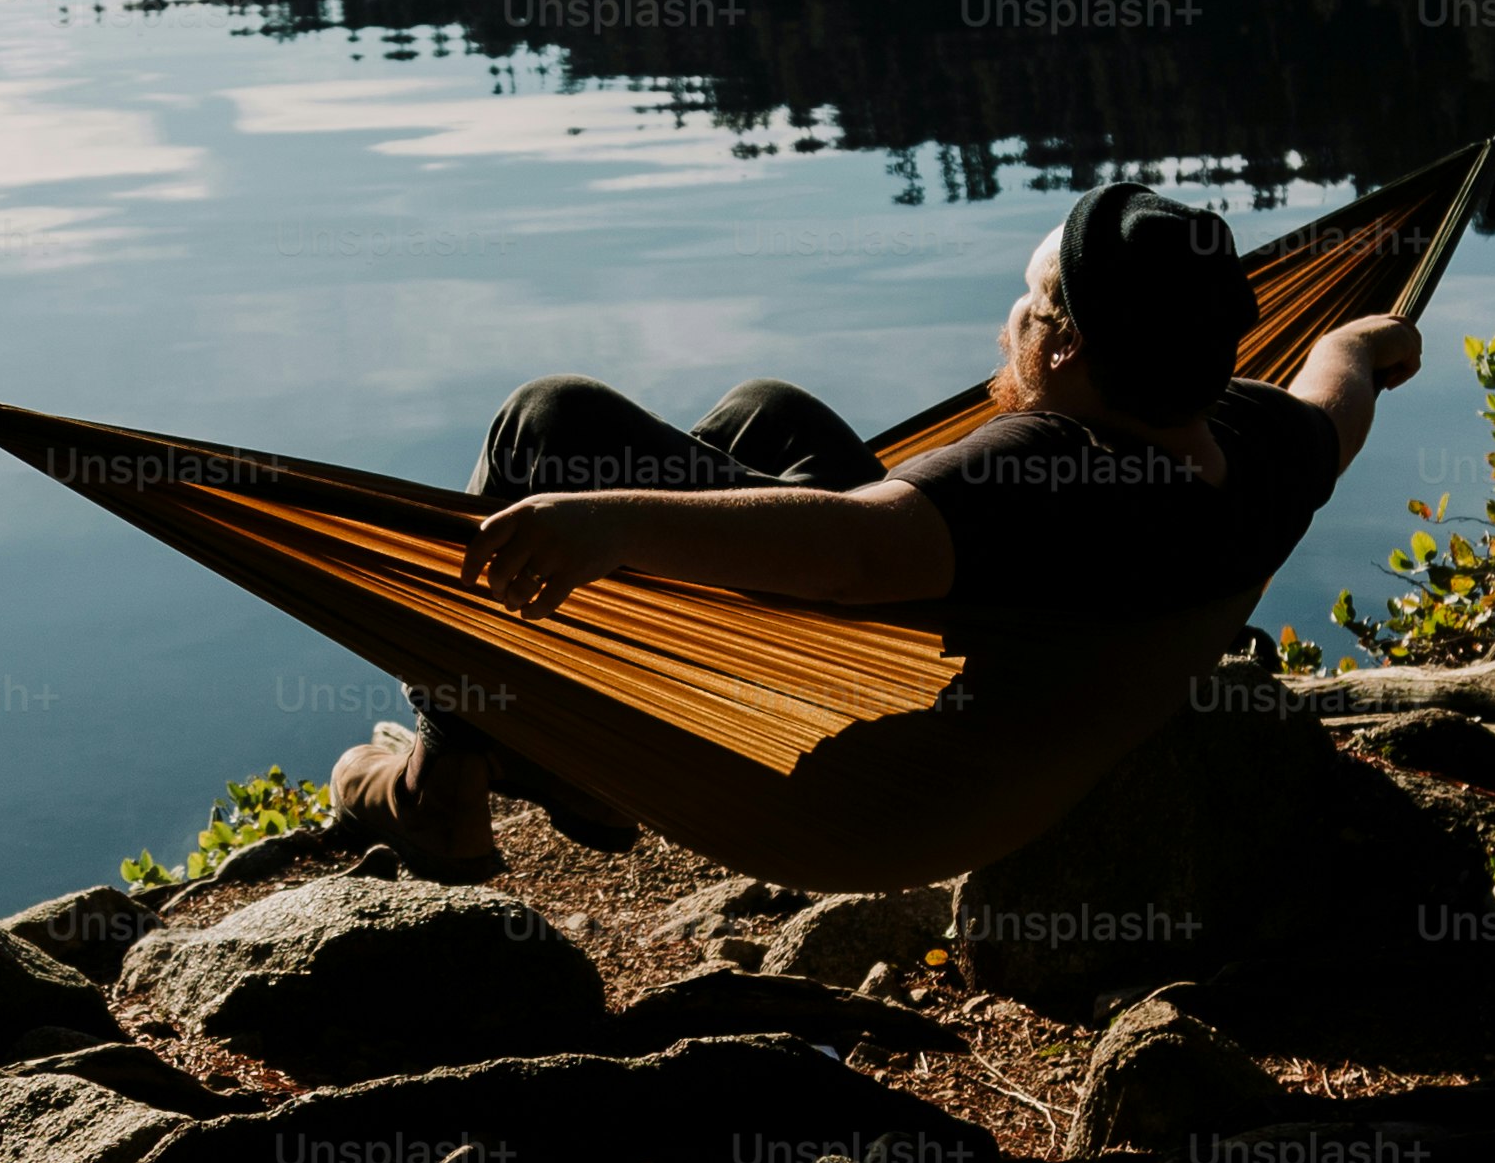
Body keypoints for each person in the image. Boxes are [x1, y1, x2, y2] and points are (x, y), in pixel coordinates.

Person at [328, 180, 1423, 872]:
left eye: (1029, 300)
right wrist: (1372, 336)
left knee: (548, 419)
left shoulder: (1047, 465)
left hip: (881, 746)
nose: (1008, 317)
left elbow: (854, 553)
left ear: (1069, 348)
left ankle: (444, 782)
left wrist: (608, 519)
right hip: (1003, 674)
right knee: (773, 414)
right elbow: (1340, 385)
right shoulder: (1263, 446)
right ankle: (570, 765)